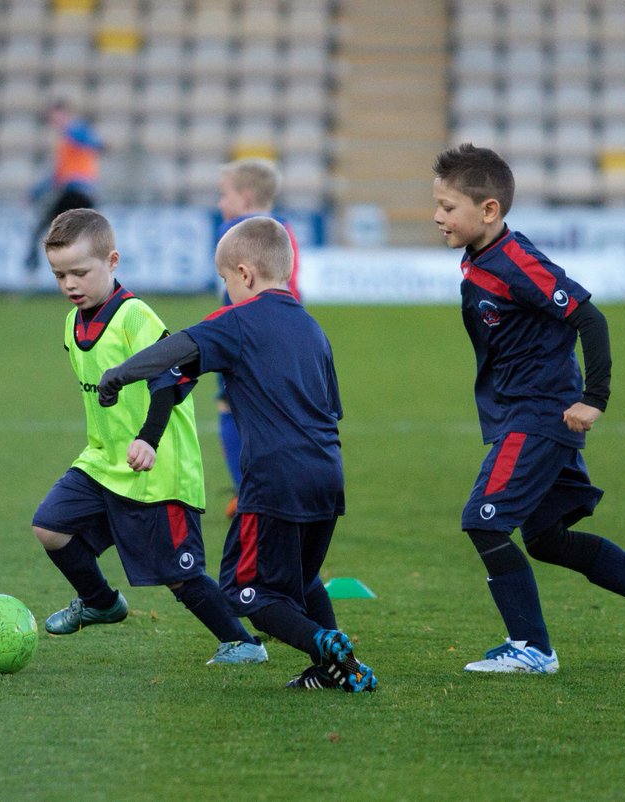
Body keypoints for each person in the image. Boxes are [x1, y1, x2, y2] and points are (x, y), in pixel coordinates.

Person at [431, 143, 625, 675]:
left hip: (539, 414)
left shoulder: (516, 261)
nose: (438, 216)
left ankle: (532, 648)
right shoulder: (481, 259)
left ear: (489, 210)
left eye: (448, 207)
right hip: (528, 413)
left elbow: (590, 319)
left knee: (484, 521)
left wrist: (594, 399)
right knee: (545, 539)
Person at [98, 216, 377, 693]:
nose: (226, 290)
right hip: (328, 475)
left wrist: (117, 375)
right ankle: (340, 671)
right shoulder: (313, 330)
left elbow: (171, 350)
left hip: (274, 478)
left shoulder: (237, 320)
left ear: (244, 275)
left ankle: (324, 641)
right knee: (303, 578)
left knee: (246, 591)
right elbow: (332, 409)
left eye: (226, 280)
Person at [30, 208, 267, 666]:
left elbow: (172, 379)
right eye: (60, 275)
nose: (70, 284)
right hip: (103, 462)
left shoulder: (135, 316)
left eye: (80, 272)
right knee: (50, 527)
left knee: (180, 576)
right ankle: (100, 601)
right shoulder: (71, 323)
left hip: (157, 467)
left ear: (112, 261)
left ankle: (243, 643)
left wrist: (149, 440)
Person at [213, 158, 300, 518]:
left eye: (225, 194)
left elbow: (237, 294)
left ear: (246, 197)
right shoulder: (284, 231)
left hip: (246, 331)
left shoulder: (238, 233)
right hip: (288, 327)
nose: (221, 203)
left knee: (230, 407)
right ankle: (281, 488)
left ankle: (246, 492)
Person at [25, 100, 104, 271]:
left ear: (63, 113)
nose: (53, 120)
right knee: (54, 231)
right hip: (73, 192)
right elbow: (56, 175)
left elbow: (91, 141)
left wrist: (98, 144)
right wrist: (35, 193)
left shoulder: (74, 130)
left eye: (55, 116)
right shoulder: (65, 143)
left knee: (50, 229)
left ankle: (34, 266)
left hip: (79, 192)